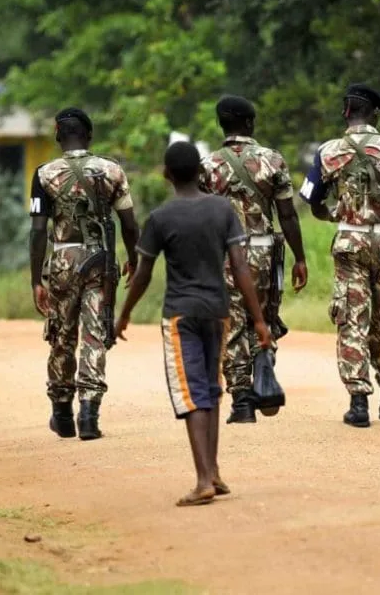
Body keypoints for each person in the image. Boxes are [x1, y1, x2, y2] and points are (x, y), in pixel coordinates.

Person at [115, 141, 271, 507]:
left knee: (192, 394)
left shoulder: (161, 218)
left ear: (166, 175)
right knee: (212, 390)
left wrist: (124, 313)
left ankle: (203, 480)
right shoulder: (222, 210)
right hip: (218, 312)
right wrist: (259, 319)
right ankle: (213, 472)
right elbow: (241, 266)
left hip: (181, 314)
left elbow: (142, 275)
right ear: (201, 172)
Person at [299, 83, 380, 428]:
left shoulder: (328, 151)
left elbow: (311, 198)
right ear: (374, 114)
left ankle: (357, 403)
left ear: (346, 112)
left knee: (353, 318)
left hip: (349, 244)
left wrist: (333, 214)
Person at [29, 107, 140, 441]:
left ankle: (62, 413)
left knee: (61, 335)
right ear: (89, 136)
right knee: (95, 334)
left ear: (58, 136)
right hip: (99, 261)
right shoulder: (111, 170)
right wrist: (133, 259)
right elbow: (130, 224)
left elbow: (37, 230)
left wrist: (36, 279)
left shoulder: (44, 174)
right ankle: (89, 415)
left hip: (62, 260)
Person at [199, 94, 309, 423]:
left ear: (221, 124)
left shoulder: (208, 165)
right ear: (249, 124)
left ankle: (242, 401)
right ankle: (263, 367)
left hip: (225, 254)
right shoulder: (272, 160)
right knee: (263, 316)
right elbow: (287, 215)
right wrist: (299, 258)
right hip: (264, 251)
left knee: (231, 323)